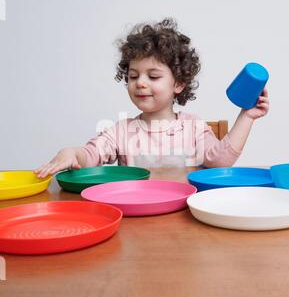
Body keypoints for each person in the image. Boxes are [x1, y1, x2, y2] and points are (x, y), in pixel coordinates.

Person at [34, 18, 269, 178]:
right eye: (133, 76)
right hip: (135, 223)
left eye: (153, 76)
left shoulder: (193, 127)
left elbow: (220, 162)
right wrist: (72, 153)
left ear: (178, 83)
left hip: (184, 221)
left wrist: (246, 116)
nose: (141, 83)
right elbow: (90, 156)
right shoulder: (120, 131)